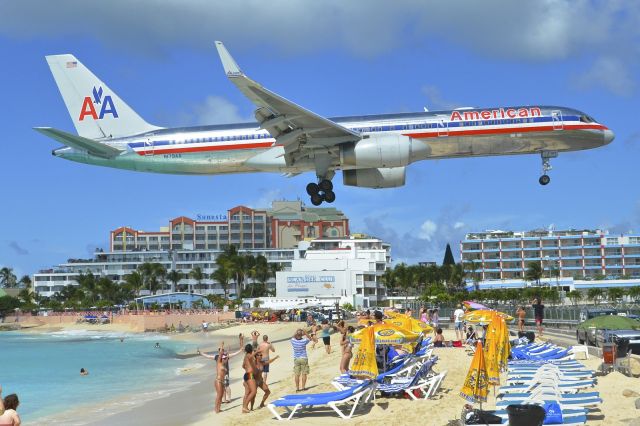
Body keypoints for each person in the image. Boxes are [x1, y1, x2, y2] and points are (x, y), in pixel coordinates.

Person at [198, 345, 227, 413]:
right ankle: (216, 409)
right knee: (219, 395)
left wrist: (226, 353)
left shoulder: (223, 365)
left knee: (221, 395)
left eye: (225, 358)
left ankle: (219, 409)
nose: (224, 359)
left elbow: (226, 356)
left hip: (222, 382)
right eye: (223, 358)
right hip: (218, 381)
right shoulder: (218, 363)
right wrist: (222, 346)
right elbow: (220, 355)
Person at [241, 344, 258, 413]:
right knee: (253, 391)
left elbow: (243, 366)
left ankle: (244, 407)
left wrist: (247, 369)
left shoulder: (246, 356)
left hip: (247, 374)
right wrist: (257, 351)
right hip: (250, 375)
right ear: (251, 349)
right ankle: (245, 407)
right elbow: (251, 357)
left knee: (247, 392)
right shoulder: (248, 355)